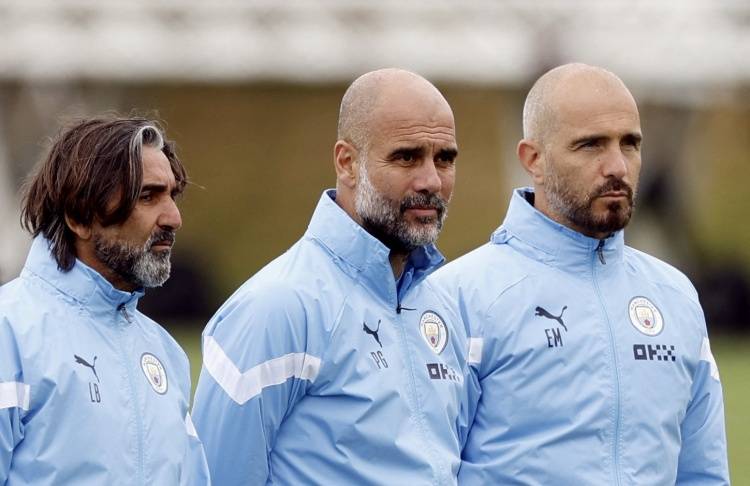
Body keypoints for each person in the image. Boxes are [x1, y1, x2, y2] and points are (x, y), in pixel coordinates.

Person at [431, 64, 729, 484]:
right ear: (533, 159)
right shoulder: (456, 298)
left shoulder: (675, 296)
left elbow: (703, 474)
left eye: (630, 144)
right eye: (591, 145)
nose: (617, 166)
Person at [192, 69, 471, 485]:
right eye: (406, 157)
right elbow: (215, 476)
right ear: (347, 163)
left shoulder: (442, 307)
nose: (431, 180)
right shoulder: (277, 307)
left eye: (444, 159)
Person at [0, 116, 210, 485]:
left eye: (172, 196)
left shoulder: (166, 352)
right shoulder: (10, 331)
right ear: (79, 217)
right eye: (148, 196)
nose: (173, 218)